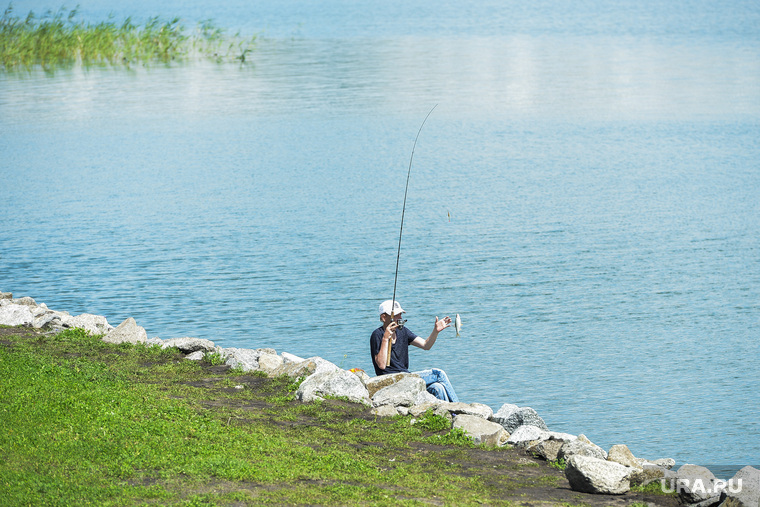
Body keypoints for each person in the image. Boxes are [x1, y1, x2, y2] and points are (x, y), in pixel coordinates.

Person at [369, 299, 459, 402]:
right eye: (396, 315)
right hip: (391, 380)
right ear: (384, 317)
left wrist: (436, 331)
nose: (400, 318)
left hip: (406, 376)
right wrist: (385, 338)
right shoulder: (377, 334)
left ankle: (452, 415)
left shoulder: (403, 331)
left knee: (437, 387)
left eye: (401, 314)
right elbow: (381, 365)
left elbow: (426, 345)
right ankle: (458, 406)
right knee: (439, 374)